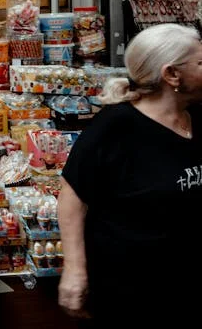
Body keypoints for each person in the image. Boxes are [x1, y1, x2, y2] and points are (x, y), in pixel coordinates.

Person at [58, 23, 202, 323]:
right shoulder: (116, 127)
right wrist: (74, 269)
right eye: (200, 62)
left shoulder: (196, 117)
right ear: (171, 74)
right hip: (131, 290)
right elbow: (72, 195)